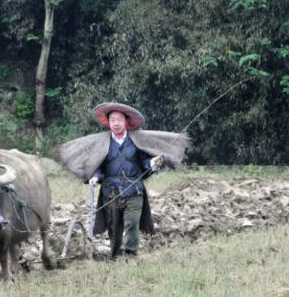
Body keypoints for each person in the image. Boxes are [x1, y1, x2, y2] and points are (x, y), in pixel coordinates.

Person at [58, 102, 190, 259]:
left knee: (132, 223)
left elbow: (145, 163)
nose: (116, 123)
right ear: (108, 123)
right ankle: (115, 256)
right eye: (112, 119)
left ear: (126, 122)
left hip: (134, 190)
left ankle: (130, 254)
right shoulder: (103, 143)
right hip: (110, 192)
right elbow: (99, 166)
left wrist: (154, 163)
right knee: (114, 228)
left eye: (119, 119)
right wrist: (95, 177)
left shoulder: (136, 141)